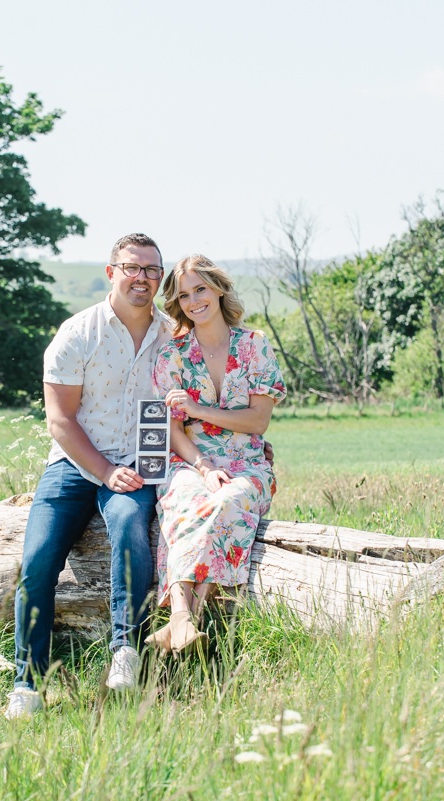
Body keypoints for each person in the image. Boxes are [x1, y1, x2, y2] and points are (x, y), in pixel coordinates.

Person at [6, 233, 173, 719]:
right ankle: (28, 684)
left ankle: (126, 651)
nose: (141, 277)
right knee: (36, 560)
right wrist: (103, 470)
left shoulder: (170, 336)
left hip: (139, 465)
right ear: (111, 272)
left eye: (151, 270)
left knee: (128, 525)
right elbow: (59, 420)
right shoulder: (77, 334)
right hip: (74, 465)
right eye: (132, 267)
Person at [147, 254, 286, 653]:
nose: (193, 301)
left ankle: (179, 619)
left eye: (200, 289)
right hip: (190, 459)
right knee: (185, 501)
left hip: (248, 463)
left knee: (230, 501)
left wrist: (198, 410)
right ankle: (184, 620)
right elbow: (171, 432)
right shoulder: (171, 356)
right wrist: (204, 466)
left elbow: (258, 422)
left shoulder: (254, 346)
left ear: (219, 288)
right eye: (184, 295)